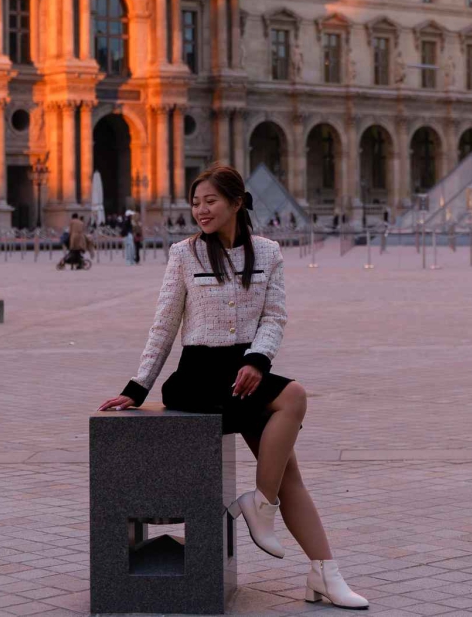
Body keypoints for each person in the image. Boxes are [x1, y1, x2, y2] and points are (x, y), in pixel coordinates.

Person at [100, 165, 367, 609]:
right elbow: (164, 325)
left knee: (290, 476)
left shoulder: (268, 252)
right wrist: (138, 387)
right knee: (295, 396)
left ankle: (324, 572)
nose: (201, 210)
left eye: (210, 201)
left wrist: (257, 360)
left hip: (246, 374)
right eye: (196, 202)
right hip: (199, 377)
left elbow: (274, 317)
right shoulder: (184, 254)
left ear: (237, 202)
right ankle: (259, 508)